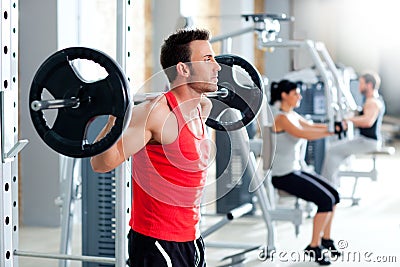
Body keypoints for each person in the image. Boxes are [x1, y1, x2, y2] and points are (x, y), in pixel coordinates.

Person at [91, 28, 221, 267]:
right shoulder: (155, 114)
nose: (217, 66)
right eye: (207, 59)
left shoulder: (203, 107)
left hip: (192, 239)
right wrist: (114, 115)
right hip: (157, 243)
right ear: (182, 69)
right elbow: (100, 164)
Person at [269, 80, 341, 265]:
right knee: (325, 201)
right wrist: (331, 132)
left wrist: (334, 126)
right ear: (285, 95)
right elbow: (305, 134)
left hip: (295, 170)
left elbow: (311, 127)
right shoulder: (280, 118)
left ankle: (326, 239)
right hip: (282, 176)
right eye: (296, 93)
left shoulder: (291, 114)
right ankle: (313, 246)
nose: (300, 96)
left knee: (334, 195)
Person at [321, 72, 385, 187]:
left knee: (332, 151)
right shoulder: (372, 100)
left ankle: (328, 187)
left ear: (369, 85)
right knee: (336, 151)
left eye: (361, 83)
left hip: (368, 142)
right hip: (365, 140)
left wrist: (349, 120)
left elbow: (367, 122)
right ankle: (333, 184)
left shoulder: (373, 102)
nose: (359, 87)